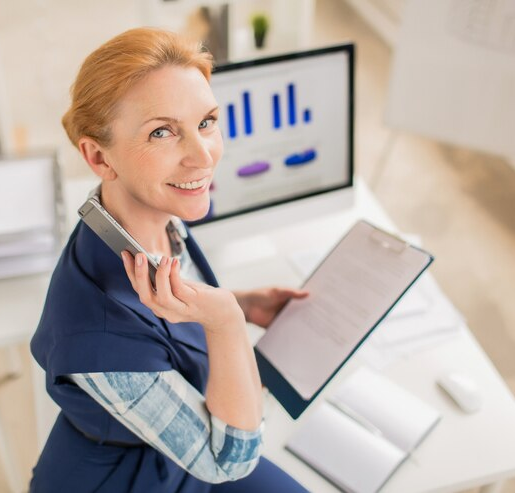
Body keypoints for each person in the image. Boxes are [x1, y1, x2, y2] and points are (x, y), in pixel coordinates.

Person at [30, 27, 310, 492]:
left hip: (179, 438)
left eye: (206, 122)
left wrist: (242, 299)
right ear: (99, 157)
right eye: (162, 132)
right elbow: (229, 462)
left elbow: (154, 315)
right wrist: (227, 319)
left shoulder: (148, 213)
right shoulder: (98, 338)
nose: (203, 156)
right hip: (128, 477)